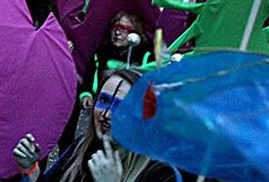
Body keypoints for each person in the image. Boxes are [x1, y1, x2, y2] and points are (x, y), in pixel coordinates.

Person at [13, 69, 182, 181]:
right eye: (103, 101)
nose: (107, 114)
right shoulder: (82, 149)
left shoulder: (161, 173)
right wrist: (31, 168)